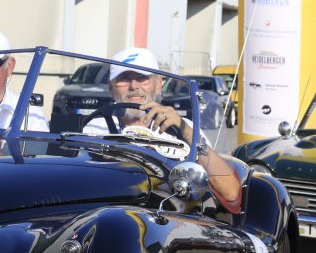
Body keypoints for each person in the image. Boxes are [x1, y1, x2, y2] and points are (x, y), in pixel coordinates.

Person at [77, 47, 243, 213]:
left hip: (170, 217)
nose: (134, 86)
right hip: (110, 213)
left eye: (142, 78)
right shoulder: (94, 128)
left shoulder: (184, 128)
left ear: (159, 84)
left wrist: (184, 131)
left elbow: (230, 192)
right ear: (111, 87)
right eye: (124, 78)